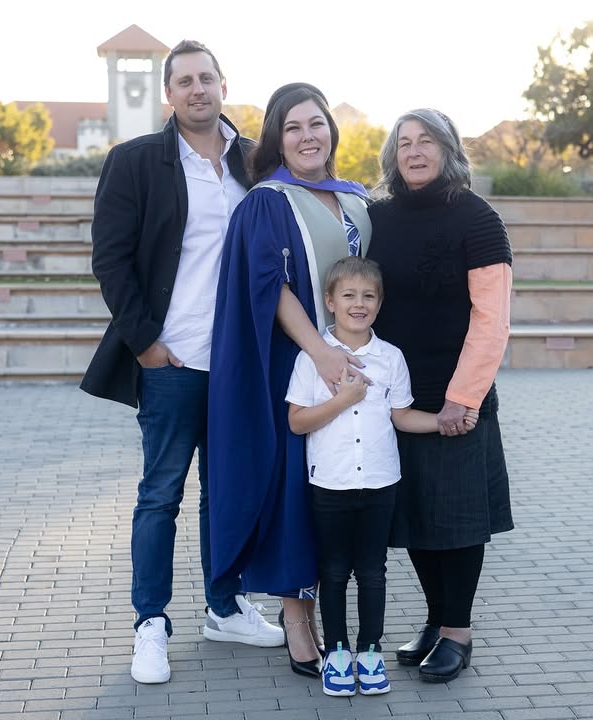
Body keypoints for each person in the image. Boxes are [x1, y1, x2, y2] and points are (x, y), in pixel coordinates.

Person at [79, 40, 283, 686]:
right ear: (168, 95)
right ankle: (150, 625)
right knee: (161, 495)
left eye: (207, 79)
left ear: (224, 87)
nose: (197, 90)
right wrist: (145, 344)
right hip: (170, 362)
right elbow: (110, 259)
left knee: (226, 492)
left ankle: (224, 606)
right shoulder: (136, 161)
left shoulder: (254, 163)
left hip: (237, 366)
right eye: (184, 81)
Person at [207, 83, 372, 678]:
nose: (308, 137)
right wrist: (322, 354)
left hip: (351, 364)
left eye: (317, 124)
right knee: (295, 492)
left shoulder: (352, 199)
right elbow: (267, 285)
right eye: (294, 127)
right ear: (277, 137)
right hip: (298, 363)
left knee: (337, 488)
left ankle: (336, 612)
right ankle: (296, 620)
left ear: (332, 131)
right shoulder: (269, 202)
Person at [366, 108, 514, 683]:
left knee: (457, 520)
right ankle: (433, 620)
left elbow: (491, 321)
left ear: (449, 149)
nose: (414, 150)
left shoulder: (478, 219)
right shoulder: (378, 217)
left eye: (426, 140)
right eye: (404, 142)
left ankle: (458, 631)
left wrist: (464, 398)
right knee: (417, 516)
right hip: (397, 398)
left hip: (457, 394)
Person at [286, 256, 472, 696]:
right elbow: (297, 421)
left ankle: (369, 653)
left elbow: (402, 416)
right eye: (348, 295)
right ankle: (336, 653)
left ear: (380, 303)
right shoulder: (312, 358)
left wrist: (445, 421)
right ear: (330, 301)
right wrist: (344, 397)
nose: (359, 303)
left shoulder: (391, 358)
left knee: (372, 571)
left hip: (380, 482)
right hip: (329, 483)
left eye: (368, 296)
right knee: (332, 571)